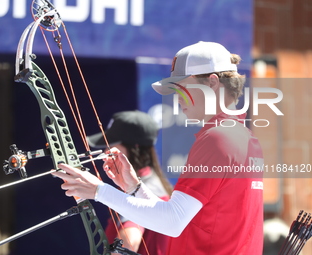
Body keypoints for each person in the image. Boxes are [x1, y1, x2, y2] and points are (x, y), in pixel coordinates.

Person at [52, 41, 264, 254]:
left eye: (182, 87)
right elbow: (178, 214)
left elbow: (172, 221)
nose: (177, 97)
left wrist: (98, 191)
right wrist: (134, 188)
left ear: (212, 82)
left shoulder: (219, 138)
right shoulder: (244, 137)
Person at [87, 110, 172, 254]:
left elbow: (130, 241)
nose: (107, 150)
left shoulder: (143, 190)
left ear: (135, 148)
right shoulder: (151, 183)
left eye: (113, 144)